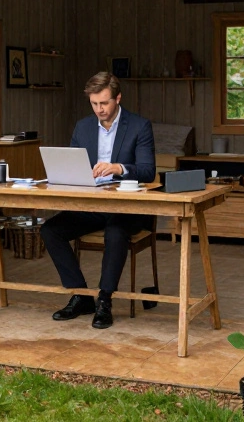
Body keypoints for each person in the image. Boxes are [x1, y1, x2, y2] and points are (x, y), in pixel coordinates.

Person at [40, 72, 155, 329]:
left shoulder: (139, 126)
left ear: (118, 98)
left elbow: (148, 171)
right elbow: (72, 165)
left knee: (115, 233)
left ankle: (104, 301)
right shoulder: (83, 127)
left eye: (104, 103)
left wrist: (118, 167)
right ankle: (81, 296)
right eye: (94, 104)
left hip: (127, 208)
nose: (99, 109)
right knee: (50, 230)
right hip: (91, 205)